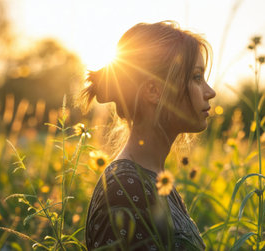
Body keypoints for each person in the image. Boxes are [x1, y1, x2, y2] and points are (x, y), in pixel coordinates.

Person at [81, 21, 216, 250]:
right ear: (154, 90)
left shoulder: (154, 179)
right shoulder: (124, 188)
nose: (210, 92)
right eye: (196, 77)